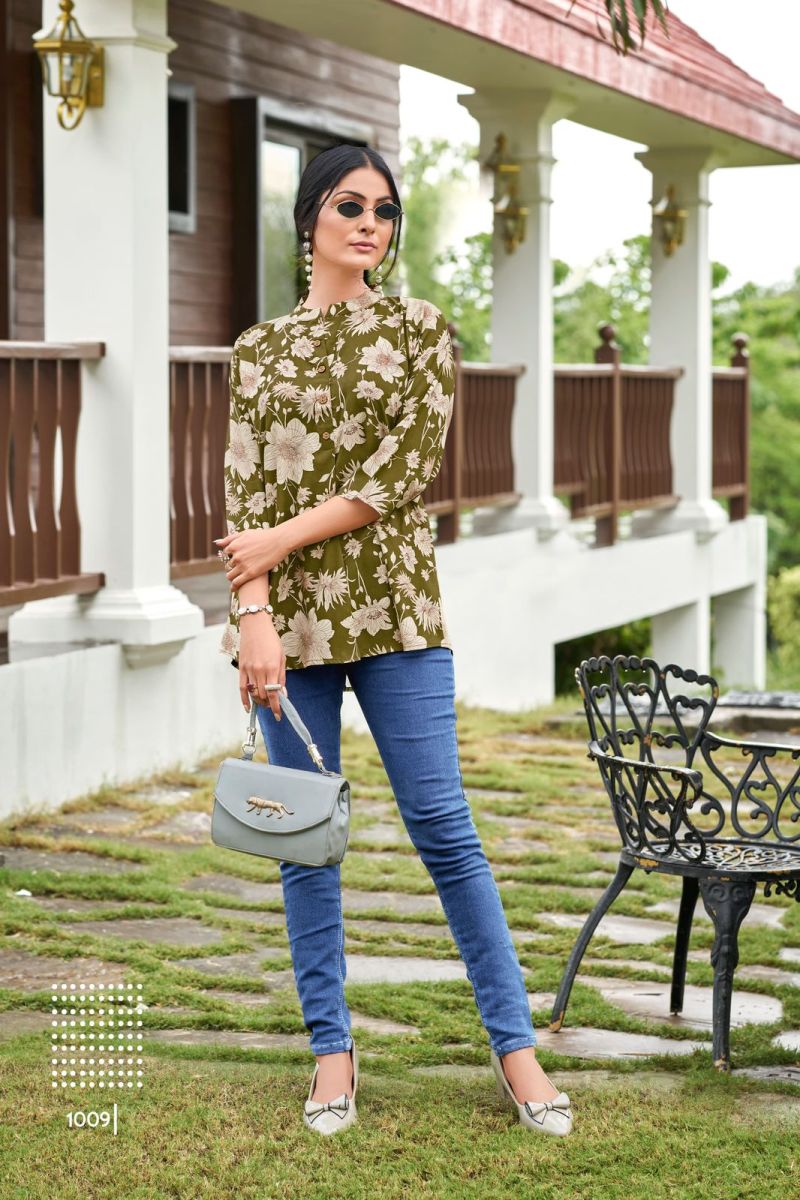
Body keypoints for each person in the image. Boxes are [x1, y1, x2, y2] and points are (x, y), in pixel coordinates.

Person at [213, 144, 573, 1139]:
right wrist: (253, 617)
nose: (369, 222)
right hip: (288, 628)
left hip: (397, 614)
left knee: (445, 830)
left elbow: (402, 472)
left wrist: (277, 541)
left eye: (383, 209)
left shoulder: (418, 329)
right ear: (309, 220)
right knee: (304, 843)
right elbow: (243, 490)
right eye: (349, 205)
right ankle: (331, 1055)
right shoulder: (258, 350)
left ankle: (516, 1051)